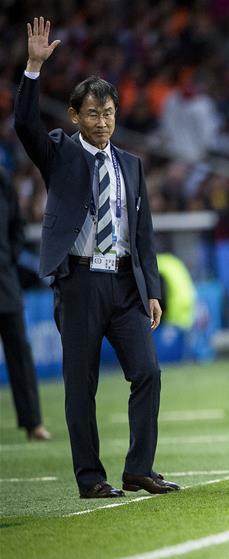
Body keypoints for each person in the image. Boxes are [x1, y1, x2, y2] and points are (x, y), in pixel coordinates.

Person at [14, 17, 180, 498]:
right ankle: (91, 478)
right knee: (80, 386)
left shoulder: (132, 164)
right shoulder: (59, 154)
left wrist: (152, 290)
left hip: (127, 285)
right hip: (81, 283)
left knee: (147, 372)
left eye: (108, 113)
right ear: (73, 116)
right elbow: (25, 123)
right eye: (92, 113)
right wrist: (32, 68)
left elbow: (142, 234)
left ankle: (138, 469)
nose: (102, 121)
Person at [0, 166, 51, 441]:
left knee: (19, 350)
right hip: (6, 279)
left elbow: (16, 229)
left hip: (5, 283)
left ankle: (33, 423)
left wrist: (7, 260)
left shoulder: (2, 180)